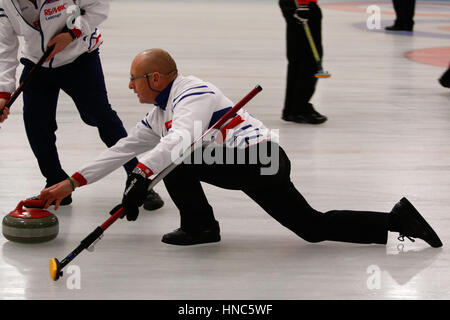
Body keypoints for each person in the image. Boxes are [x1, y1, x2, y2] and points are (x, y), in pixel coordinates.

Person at [38, 48, 443, 250]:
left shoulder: (191, 91)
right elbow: (122, 148)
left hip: (258, 159)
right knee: (312, 227)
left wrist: (141, 177)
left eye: (134, 80)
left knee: (176, 157)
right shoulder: (159, 114)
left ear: (156, 77)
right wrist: (69, 183)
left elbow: (179, 141)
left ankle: (200, 226)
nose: (130, 86)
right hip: (252, 164)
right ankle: (397, 221)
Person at [0, 0, 163, 210]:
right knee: (35, 123)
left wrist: (72, 33)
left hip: (79, 58)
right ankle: (55, 182)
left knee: (101, 117)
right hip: (37, 63)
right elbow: (6, 47)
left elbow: (99, 8)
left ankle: (137, 179)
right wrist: (3, 94)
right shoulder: (5, 3)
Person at [279, 0, 327, 125]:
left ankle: (293, 108)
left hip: (296, 5)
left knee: (298, 58)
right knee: (309, 59)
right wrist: (304, 4)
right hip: (301, 5)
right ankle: (299, 108)